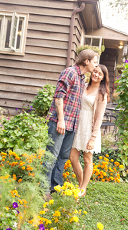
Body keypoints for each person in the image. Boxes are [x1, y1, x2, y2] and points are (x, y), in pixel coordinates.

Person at [44, 49, 100, 193]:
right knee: (51, 156)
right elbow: (58, 97)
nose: (96, 65)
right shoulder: (70, 72)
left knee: (62, 157)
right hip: (60, 122)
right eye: (94, 62)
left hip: (72, 125)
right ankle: (43, 191)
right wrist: (61, 120)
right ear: (86, 61)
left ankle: (55, 187)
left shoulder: (82, 79)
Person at [70, 64, 111, 196]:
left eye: (100, 74)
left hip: (90, 127)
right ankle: (82, 184)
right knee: (72, 157)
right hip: (78, 125)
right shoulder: (84, 85)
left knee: (87, 159)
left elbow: (99, 117)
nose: (96, 74)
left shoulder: (102, 94)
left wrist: (93, 138)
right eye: (95, 71)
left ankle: (82, 188)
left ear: (103, 78)